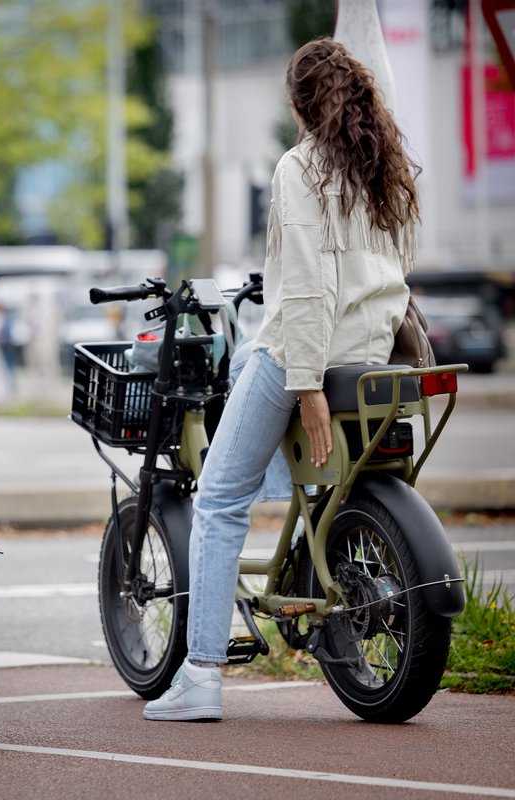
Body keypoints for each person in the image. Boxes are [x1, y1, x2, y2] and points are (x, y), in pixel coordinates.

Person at [143, 37, 419, 722]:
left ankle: (202, 674)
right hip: (372, 351)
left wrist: (306, 386)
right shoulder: (386, 165)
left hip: (308, 352)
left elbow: (306, 288)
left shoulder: (303, 167)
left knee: (218, 498)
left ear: (299, 105)